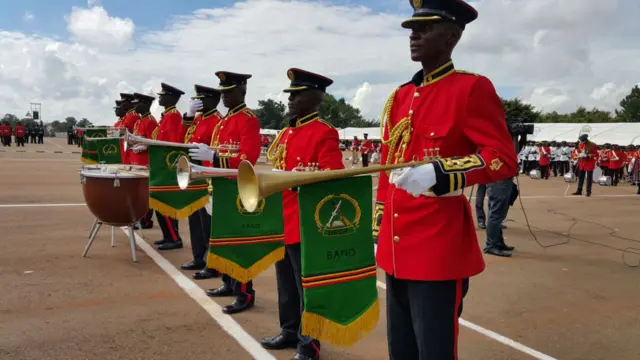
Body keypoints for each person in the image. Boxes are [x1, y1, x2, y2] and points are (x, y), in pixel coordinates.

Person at [374, 1, 518, 358]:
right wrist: (378, 227)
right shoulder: (400, 97)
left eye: (425, 28)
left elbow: (501, 158)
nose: (414, 34)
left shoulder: (471, 89)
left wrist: (442, 172)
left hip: (438, 247)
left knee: (434, 350)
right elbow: (387, 168)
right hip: (396, 243)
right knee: (401, 348)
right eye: (411, 28)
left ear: (452, 36)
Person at [260, 68, 343, 360]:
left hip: (306, 221)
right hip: (283, 218)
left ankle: (309, 345)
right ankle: (290, 331)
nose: (291, 100)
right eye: (290, 94)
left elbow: (333, 176)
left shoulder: (324, 132)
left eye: (297, 94)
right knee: (285, 283)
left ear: (316, 97)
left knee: (305, 286)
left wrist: (305, 178)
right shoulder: (286, 133)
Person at [189, 71, 261, 315]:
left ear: (242, 91)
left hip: (236, 188)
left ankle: (244, 292)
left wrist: (214, 157)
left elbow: (247, 158)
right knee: (222, 240)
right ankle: (228, 283)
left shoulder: (248, 119)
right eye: (222, 92)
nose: (224, 97)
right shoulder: (222, 122)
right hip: (219, 186)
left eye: (228, 91)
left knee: (238, 244)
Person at [180, 84, 225, 281]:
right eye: (196, 98)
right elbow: (184, 137)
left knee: (209, 223)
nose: (198, 102)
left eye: (203, 98)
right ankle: (199, 257)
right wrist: (189, 115)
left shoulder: (217, 121)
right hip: (194, 174)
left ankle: (211, 262)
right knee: (195, 220)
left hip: (208, 175)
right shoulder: (198, 119)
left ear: (214, 100)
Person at [152, 83, 187, 251]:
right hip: (161, 165)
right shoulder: (166, 115)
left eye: (163, 95)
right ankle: (168, 236)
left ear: (172, 98)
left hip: (168, 166)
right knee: (160, 204)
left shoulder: (173, 116)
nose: (160, 98)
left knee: (165, 203)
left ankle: (174, 238)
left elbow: (173, 144)